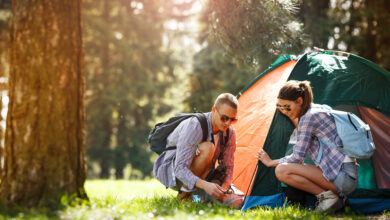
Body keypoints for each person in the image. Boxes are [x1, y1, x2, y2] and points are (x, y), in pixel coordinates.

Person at [256, 80, 359, 211]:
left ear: (299, 101)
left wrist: (270, 162)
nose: (285, 111)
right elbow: (304, 132)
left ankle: (328, 198)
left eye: (287, 106)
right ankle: (335, 200)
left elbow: (297, 158)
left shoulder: (308, 118)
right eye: (281, 107)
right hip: (347, 175)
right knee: (285, 169)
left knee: (281, 170)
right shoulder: (317, 109)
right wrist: (289, 112)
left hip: (343, 178)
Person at [153, 93, 238, 201]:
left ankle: (199, 198)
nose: (228, 123)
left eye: (233, 120)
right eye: (224, 118)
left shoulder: (230, 133)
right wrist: (206, 185)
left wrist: (225, 187)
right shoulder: (195, 125)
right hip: (174, 174)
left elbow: (228, 166)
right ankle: (184, 196)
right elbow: (180, 168)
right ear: (214, 110)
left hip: (203, 177)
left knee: (236, 201)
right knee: (208, 148)